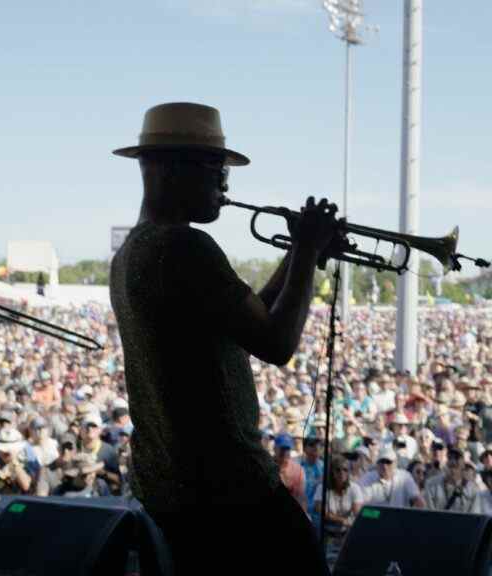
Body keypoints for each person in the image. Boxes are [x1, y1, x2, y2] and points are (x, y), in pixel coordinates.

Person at [109, 102, 336, 575]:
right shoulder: (182, 246)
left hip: (176, 489)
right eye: (216, 169)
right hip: (229, 489)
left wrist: (299, 254)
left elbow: (249, 313)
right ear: (173, 169)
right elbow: (276, 343)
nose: (225, 185)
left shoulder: (133, 250)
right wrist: (310, 249)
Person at [313, 455, 363, 547]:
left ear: (349, 472)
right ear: (332, 471)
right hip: (326, 533)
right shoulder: (322, 488)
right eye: (338, 470)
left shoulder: (355, 488)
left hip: (347, 533)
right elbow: (319, 509)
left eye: (345, 470)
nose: (342, 473)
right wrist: (341, 520)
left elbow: (357, 512)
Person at [358, 446, 425, 508]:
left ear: (395, 463)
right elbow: (359, 505)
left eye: (388, 462)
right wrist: (375, 515)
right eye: (382, 462)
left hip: (399, 518)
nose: (385, 466)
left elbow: (418, 500)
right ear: (377, 464)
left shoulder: (405, 477)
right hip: (375, 517)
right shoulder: (367, 478)